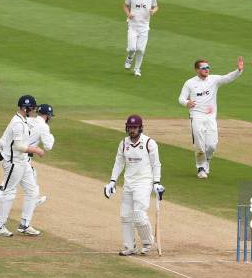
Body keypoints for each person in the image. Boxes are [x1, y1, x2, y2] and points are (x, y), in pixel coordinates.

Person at [0, 104, 55, 217]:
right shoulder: (44, 127)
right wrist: (51, 137)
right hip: (21, 157)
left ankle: (34, 199)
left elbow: (11, 132)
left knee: (31, 174)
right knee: (9, 184)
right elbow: (48, 146)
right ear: (48, 116)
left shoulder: (29, 120)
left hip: (16, 155)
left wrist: (1, 146)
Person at [104, 115, 165, 256]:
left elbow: (156, 164)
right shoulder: (124, 143)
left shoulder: (149, 143)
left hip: (144, 183)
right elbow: (119, 163)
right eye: (130, 127)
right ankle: (129, 246)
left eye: (134, 127)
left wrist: (157, 182)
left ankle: (148, 242)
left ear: (140, 128)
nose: (132, 130)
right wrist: (112, 181)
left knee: (139, 215)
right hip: (128, 183)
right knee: (125, 216)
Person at [178, 57, 244, 178]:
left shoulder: (213, 80)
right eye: (203, 68)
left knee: (212, 146)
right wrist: (187, 103)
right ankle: (200, 167)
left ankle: (206, 161)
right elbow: (181, 98)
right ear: (197, 70)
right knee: (200, 146)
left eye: (207, 67)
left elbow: (227, 78)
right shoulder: (190, 83)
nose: (206, 70)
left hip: (210, 116)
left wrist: (238, 70)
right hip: (196, 116)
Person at [0, 95, 45, 237]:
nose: (33, 111)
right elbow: (19, 146)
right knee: (9, 192)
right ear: (24, 108)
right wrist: (36, 150)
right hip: (14, 162)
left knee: (32, 191)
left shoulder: (23, 120)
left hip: (22, 161)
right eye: (32, 108)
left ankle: (24, 225)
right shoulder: (18, 124)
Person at [123, 0, 158, 78]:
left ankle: (137, 69)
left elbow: (156, 6)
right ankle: (129, 57)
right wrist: (128, 14)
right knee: (132, 48)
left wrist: (153, 11)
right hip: (133, 25)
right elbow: (125, 5)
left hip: (144, 27)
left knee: (140, 50)